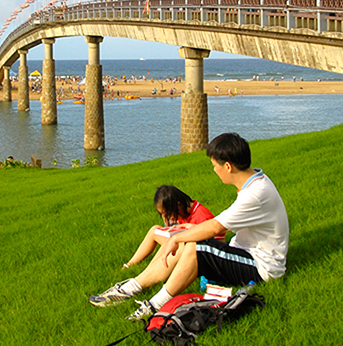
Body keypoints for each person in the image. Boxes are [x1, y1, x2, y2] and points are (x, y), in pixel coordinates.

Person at [89, 132, 289, 321]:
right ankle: (132, 287)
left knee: (194, 246)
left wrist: (176, 238)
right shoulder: (255, 182)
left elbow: (214, 227)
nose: (214, 170)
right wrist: (180, 235)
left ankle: (155, 304)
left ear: (227, 166)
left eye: (214, 165)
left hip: (262, 268)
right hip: (243, 252)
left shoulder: (255, 194)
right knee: (189, 240)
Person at [120, 186, 224, 270]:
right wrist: (168, 226)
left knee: (170, 242)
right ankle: (131, 264)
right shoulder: (182, 214)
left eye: (168, 214)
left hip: (197, 251)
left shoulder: (201, 215)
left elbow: (216, 241)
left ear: (178, 206)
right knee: (155, 230)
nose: (169, 217)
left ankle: (152, 269)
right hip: (184, 244)